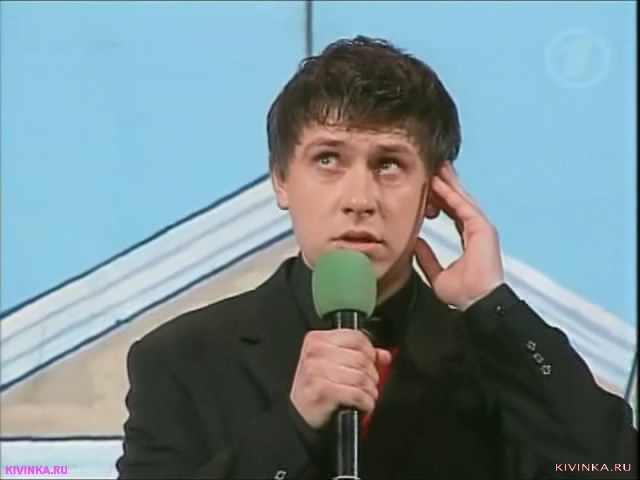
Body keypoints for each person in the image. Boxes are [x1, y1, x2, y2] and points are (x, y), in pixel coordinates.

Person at [115, 36, 636, 479]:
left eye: (389, 165)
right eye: (328, 159)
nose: (359, 199)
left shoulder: (498, 358)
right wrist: (293, 427)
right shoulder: (179, 360)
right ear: (280, 180)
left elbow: (611, 468)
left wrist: (492, 307)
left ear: (434, 192)